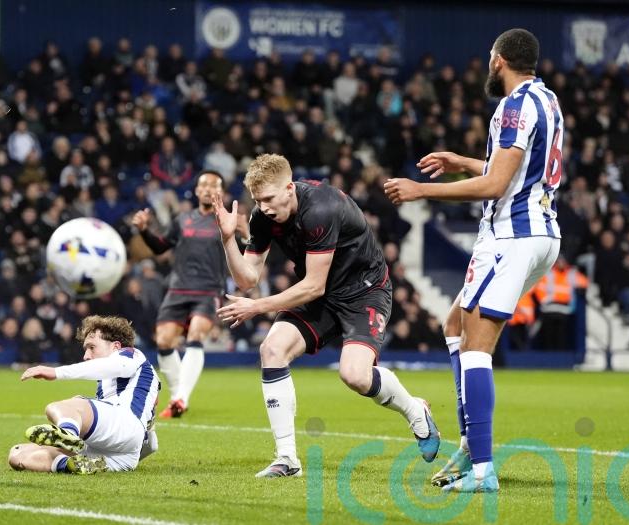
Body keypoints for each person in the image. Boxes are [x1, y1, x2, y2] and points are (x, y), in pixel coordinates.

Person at [385, 29, 562, 493]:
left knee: (476, 349)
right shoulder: (547, 101)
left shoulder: (512, 106)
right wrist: (463, 160)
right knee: (455, 326)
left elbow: (496, 186)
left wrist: (422, 190)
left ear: (499, 60)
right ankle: (469, 443)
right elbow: (512, 171)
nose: (488, 64)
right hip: (542, 234)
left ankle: (481, 469)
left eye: (489, 57)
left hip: (510, 235)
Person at [214, 153, 440, 478]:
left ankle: (414, 409)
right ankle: (287, 459)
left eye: (268, 199)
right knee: (272, 349)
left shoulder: (321, 208)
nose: (263, 207)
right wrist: (227, 240)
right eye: (257, 200)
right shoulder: (263, 218)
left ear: (290, 188)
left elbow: (313, 286)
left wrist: (257, 306)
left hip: (363, 292)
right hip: (320, 293)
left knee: (355, 376)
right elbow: (247, 279)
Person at [132, 171, 245, 418]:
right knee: (163, 341)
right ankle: (177, 398)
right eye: (202, 185)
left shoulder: (228, 220)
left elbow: (251, 248)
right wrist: (144, 230)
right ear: (195, 191)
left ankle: (180, 399)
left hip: (208, 290)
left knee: (195, 335)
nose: (206, 189)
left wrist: (246, 233)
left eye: (213, 186)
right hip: (178, 288)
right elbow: (160, 247)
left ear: (221, 193)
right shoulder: (183, 219)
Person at [7, 315, 160, 474]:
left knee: (65, 405)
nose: (86, 355)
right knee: (17, 454)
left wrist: (56, 372)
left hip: (124, 428)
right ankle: (70, 464)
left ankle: (69, 435)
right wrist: (132, 455)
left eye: (92, 347)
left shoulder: (131, 355)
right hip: (121, 454)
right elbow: (152, 442)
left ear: (116, 347)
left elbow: (115, 366)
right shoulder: (119, 384)